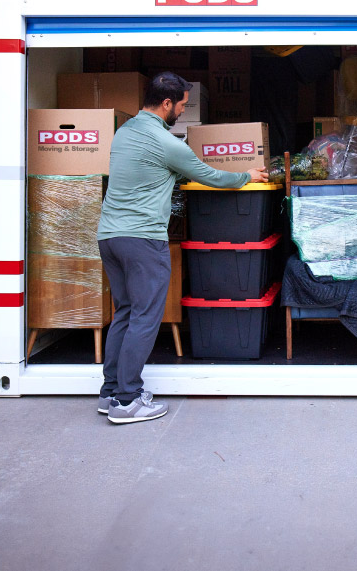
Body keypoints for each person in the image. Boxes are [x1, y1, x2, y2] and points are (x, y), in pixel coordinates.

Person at [97, 72, 268, 425]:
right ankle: (127, 400)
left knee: (126, 311)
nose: (182, 111)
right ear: (166, 104)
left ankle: (111, 391)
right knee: (145, 316)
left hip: (110, 236)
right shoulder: (167, 143)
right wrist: (247, 176)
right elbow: (212, 176)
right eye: (182, 106)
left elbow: (148, 173)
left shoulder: (125, 132)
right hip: (143, 239)